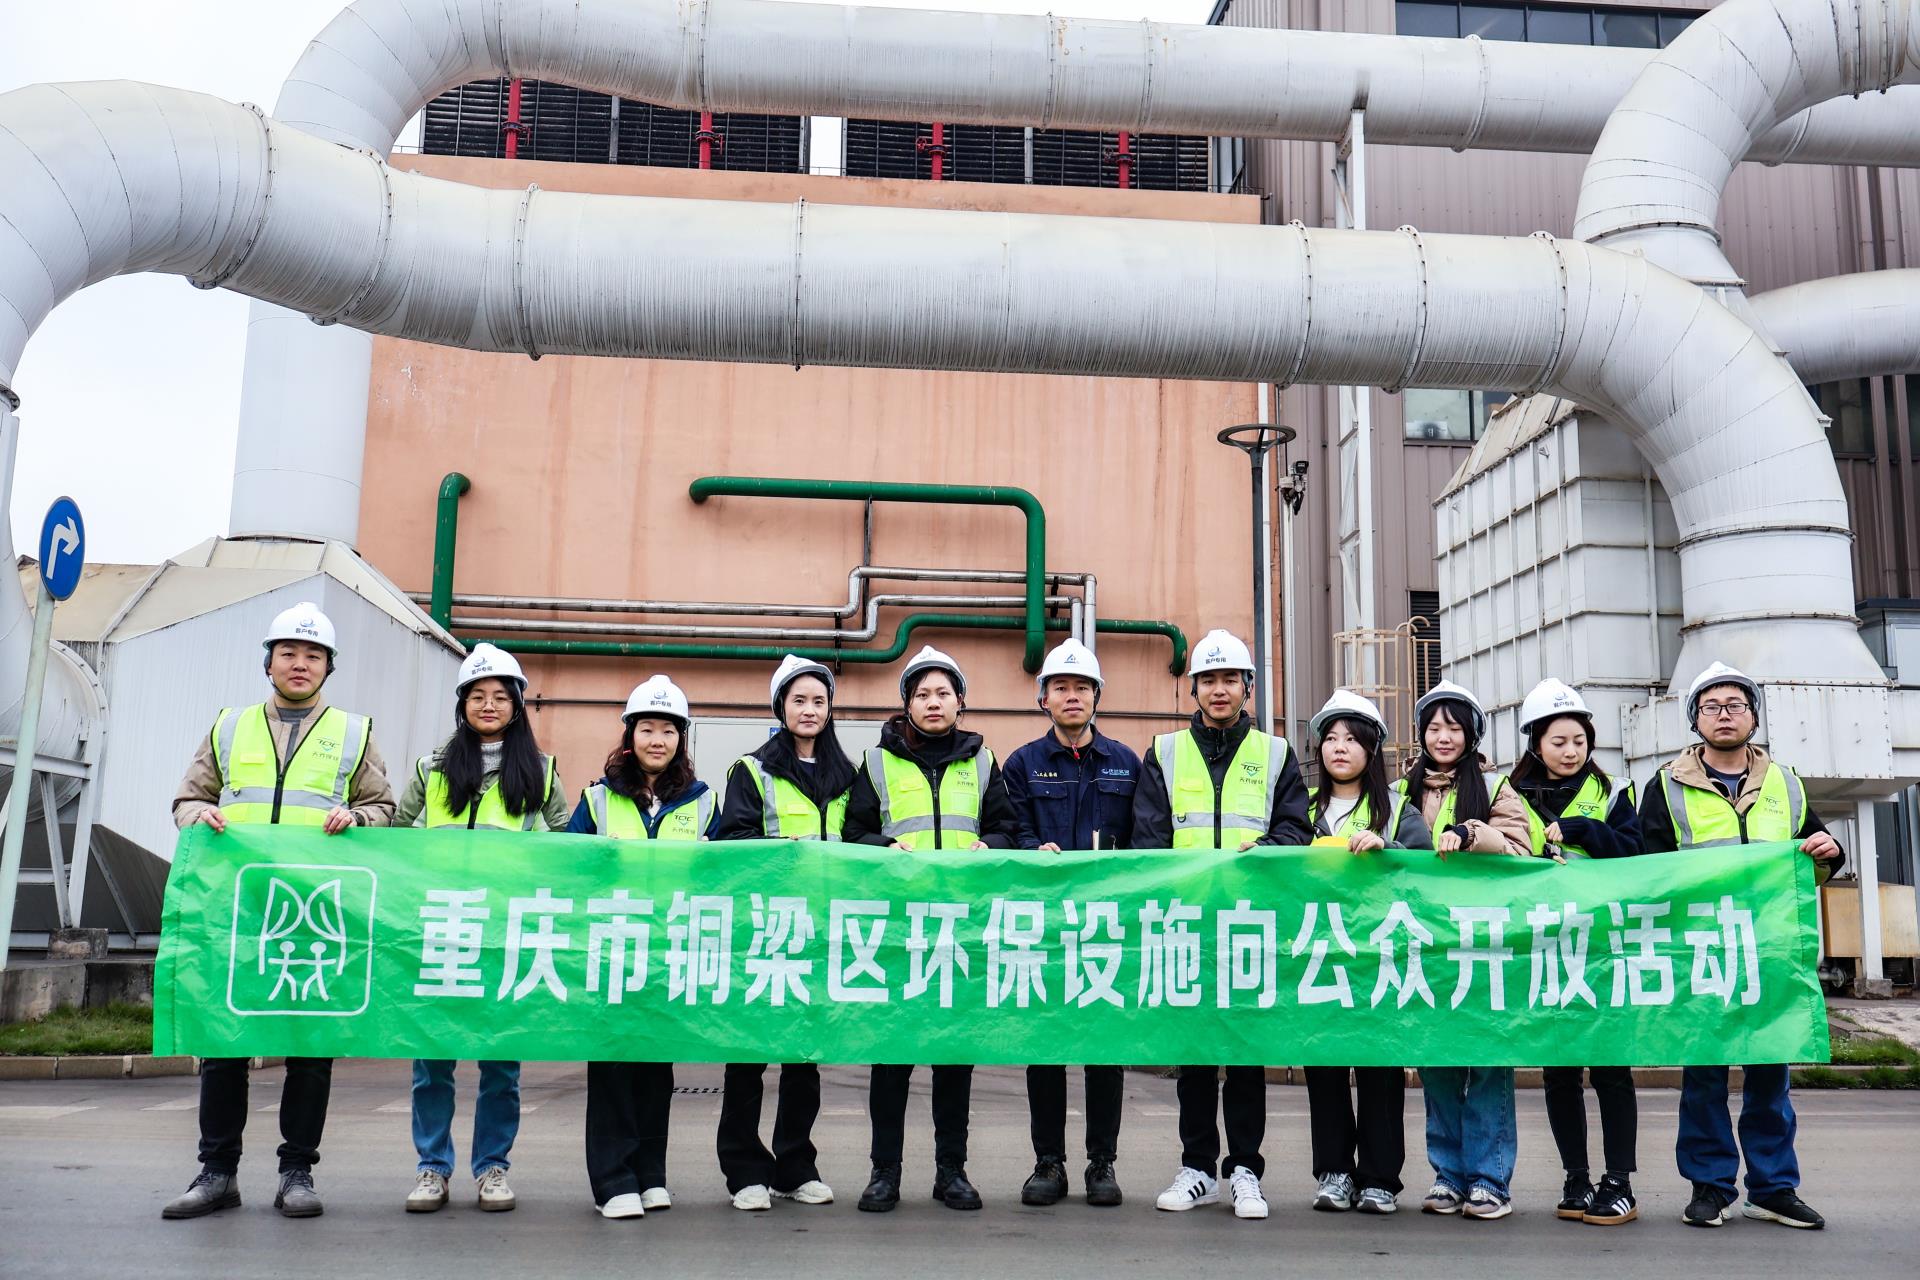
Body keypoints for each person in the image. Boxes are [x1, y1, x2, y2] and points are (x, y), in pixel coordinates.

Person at [162, 602, 395, 1220]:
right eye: (288, 652)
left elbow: (384, 809)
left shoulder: (354, 733)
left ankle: (297, 1173)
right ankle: (217, 1173)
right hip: (238, 911)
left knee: (309, 1047)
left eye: (313, 655)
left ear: (328, 667)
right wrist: (201, 815)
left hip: (315, 916)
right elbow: (187, 800)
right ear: (268, 662)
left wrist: (357, 817)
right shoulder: (229, 727)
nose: (300, 663)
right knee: (224, 1042)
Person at [1638, 662, 1841, 1231]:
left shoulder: (1787, 782)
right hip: (1700, 952)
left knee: (1770, 1077)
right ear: (1695, 720)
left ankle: (1773, 1189)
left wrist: (1829, 851)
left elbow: (1813, 856)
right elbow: (1644, 872)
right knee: (1704, 1076)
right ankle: (1710, 1188)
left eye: (1735, 705)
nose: (1724, 715)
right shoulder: (1664, 787)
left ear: (1753, 717)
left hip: (1770, 952)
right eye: (1712, 706)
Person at [1131, 628, 1312, 1222]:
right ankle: (1197, 1168)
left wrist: (1266, 850)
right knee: (1196, 1055)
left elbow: (1295, 830)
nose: (1218, 690)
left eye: (1229, 679)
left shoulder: (1276, 754)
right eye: (1207, 680)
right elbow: (1149, 839)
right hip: (1186, 925)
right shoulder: (1163, 752)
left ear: (1247, 687)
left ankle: (1245, 1171)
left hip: (1249, 926)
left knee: (1244, 1053)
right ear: (1194, 689)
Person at [843, 644, 1021, 1213]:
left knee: (953, 1058)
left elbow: (1006, 828)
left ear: (960, 702)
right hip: (898, 932)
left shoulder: (983, 762)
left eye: (943, 692)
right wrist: (883, 847)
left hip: (959, 931)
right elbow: (853, 834)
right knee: (892, 1057)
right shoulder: (876, 763)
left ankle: (952, 1171)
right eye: (922, 694)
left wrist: (989, 844)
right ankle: (884, 1173)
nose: (933, 702)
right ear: (907, 705)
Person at [394, 643, 569, 1215]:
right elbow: (392, 840)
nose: (488, 705)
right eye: (477, 696)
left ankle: (493, 1168)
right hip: (439, 932)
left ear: (517, 706)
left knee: (500, 1066)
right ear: (462, 704)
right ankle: (432, 1168)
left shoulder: (541, 773)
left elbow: (571, 848)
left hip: (505, 938)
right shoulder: (432, 770)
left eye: (499, 696)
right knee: (432, 1063)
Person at [569, 674, 719, 1220]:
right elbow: (568, 870)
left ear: (682, 738)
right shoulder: (596, 799)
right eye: (648, 729)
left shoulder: (704, 803)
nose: (658, 740)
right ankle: (613, 1181)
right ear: (629, 735)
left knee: (657, 1069)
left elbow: (721, 874)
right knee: (613, 1067)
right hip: (612, 952)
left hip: (670, 952)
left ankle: (651, 1175)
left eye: (669, 730)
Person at [1001, 638, 1138, 1208]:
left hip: (1107, 924)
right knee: (1047, 1045)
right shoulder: (1022, 764)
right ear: (1044, 698)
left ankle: (1102, 1163)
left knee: (1104, 1047)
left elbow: (1144, 839)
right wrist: (1033, 849)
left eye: (1082, 687)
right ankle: (1048, 1162)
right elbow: (1011, 828)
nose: (1072, 696)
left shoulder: (1126, 762)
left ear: (1097, 696)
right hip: (1046, 927)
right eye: (1061, 687)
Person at [1392, 680, 1537, 1222]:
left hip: (1484, 943)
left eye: (1454, 728)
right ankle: (1449, 1175)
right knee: (1437, 1063)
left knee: (1488, 1062)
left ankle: (1490, 1179)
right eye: (1434, 727)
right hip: (1424, 945)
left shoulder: (1497, 788)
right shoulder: (1400, 791)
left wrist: (1474, 834)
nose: (1443, 737)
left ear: (1472, 734)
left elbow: (1523, 848)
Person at [712, 655, 851, 1212]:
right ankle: (745, 1170)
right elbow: (732, 841)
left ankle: (795, 1166)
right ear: (780, 707)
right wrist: (786, 856)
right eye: (799, 700)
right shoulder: (751, 771)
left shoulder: (847, 774)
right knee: (747, 1055)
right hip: (764, 930)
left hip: (820, 933)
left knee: (802, 1058)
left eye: (819, 700)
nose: (809, 710)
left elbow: (862, 839)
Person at [1509, 678, 1644, 1226]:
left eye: (1579, 741)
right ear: (1536, 743)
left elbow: (1635, 854)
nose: (1570, 751)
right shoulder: (1509, 795)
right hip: (1543, 951)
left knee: (1611, 1070)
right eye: (1559, 741)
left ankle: (1619, 1182)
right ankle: (1577, 1178)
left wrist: (1585, 829)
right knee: (1560, 1072)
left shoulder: (1613, 794)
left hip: (1604, 949)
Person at [1301, 690, 1431, 1217]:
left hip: (1382, 958)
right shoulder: (1303, 809)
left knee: (1380, 1068)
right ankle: (1334, 1172)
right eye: (1331, 738)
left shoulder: (1397, 810)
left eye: (1352, 739)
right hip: (1320, 955)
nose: (1339, 748)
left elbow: (1427, 872)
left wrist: (1388, 848)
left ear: (1371, 749)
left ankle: (1379, 1178)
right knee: (1325, 1065)